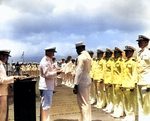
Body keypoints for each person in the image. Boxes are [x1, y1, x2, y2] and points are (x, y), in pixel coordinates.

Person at [38, 47, 62, 121]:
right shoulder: (45, 61)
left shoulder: (48, 60)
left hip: (48, 86)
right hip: (46, 86)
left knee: (45, 105)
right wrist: (57, 72)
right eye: (52, 52)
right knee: (46, 106)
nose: (53, 54)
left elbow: (49, 70)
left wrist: (55, 70)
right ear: (48, 52)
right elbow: (47, 74)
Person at [73, 42, 92, 121]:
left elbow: (79, 71)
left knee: (82, 102)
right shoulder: (88, 56)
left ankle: (85, 119)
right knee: (87, 101)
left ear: (80, 48)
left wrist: (75, 84)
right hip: (87, 78)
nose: (76, 51)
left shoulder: (81, 57)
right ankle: (87, 118)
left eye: (77, 49)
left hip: (82, 80)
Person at [0, 50, 20, 121]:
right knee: (2, 114)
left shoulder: (2, 65)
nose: (7, 58)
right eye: (6, 56)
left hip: (4, 92)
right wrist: (13, 78)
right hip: (1, 93)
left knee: (4, 113)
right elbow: (1, 80)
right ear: (1, 56)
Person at [136, 35, 150, 121]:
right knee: (140, 101)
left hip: (146, 81)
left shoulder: (149, 52)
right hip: (139, 80)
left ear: (146, 42)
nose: (139, 43)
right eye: (138, 42)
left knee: (147, 103)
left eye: (140, 42)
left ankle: (147, 118)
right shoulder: (139, 53)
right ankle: (142, 118)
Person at [121, 46, 137, 121]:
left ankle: (132, 116)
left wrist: (133, 85)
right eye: (126, 52)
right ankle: (128, 115)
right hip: (124, 84)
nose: (126, 53)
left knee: (131, 101)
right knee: (126, 101)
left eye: (128, 52)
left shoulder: (133, 62)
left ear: (131, 52)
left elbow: (134, 74)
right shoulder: (125, 62)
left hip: (130, 85)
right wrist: (121, 83)